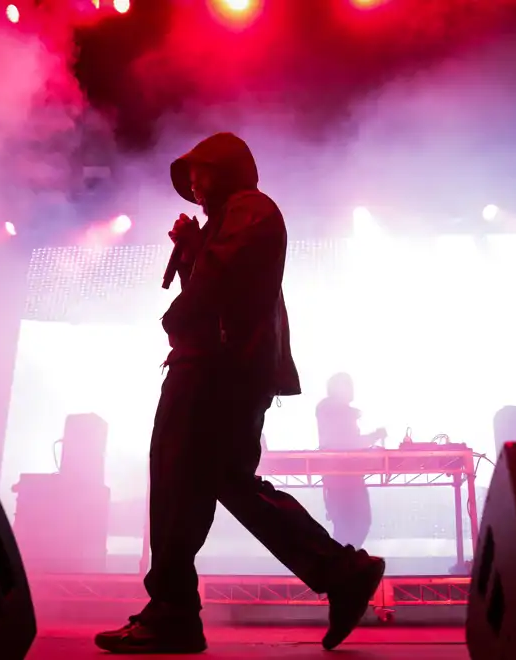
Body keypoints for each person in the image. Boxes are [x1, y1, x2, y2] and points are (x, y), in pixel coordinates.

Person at [95, 133, 385, 654]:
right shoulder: (234, 218)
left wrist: (177, 314)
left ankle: (174, 612)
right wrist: (191, 250)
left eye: (200, 171)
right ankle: (338, 571)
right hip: (223, 368)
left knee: (177, 479)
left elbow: (217, 285)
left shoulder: (251, 208)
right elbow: (216, 280)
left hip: (216, 370)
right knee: (222, 481)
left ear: (227, 168)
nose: (193, 183)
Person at [316, 373, 387, 549]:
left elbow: (347, 441)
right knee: (354, 526)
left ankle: (342, 566)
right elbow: (347, 442)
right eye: (348, 385)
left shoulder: (330, 409)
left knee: (350, 527)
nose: (352, 389)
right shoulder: (332, 409)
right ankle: (341, 567)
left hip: (343, 477)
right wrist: (374, 437)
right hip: (343, 478)